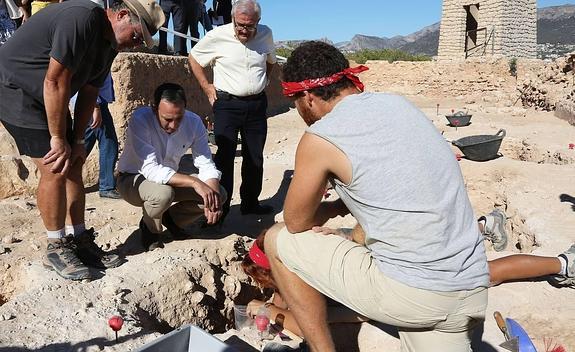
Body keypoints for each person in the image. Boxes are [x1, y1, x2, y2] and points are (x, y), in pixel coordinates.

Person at [256, 40, 495, 352]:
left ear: (307, 98)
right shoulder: (401, 106)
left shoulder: (321, 137)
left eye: (295, 101)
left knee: (279, 239)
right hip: (472, 290)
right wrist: (345, 205)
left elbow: (296, 221)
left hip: (416, 294)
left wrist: (330, 210)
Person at [0, 0, 165, 281]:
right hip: (16, 90)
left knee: (74, 161)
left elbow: (89, 91)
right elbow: (55, 80)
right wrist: (56, 138)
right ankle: (56, 245)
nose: (136, 44)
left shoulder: (110, 44)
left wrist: (77, 139)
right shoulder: (82, 18)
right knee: (55, 167)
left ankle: (79, 239)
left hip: (48, 95)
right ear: (122, 14)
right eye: (137, 36)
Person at [242, 218, 575, 338]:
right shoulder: (304, 245)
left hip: (401, 272)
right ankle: (558, 262)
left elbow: (305, 321)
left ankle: (563, 264)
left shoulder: (297, 271)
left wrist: (269, 311)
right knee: (482, 269)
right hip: (392, 255)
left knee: (486, 273)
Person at [189, 0, 276, 219]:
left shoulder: (266, 34)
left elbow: (271, 60)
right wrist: (207, 87)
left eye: (249, 26)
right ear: (233, 19)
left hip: (256, 105)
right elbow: (194, 58)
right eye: (240, 25)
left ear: (258, 22)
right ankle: (222, 209)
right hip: (227, 105)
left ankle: (250, 203)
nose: (244, 30)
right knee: (224, 158)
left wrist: (265, 79)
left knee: (254, 157)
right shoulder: (218, 35)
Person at [117, 83, 226, 251]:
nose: (174, 125)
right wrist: (195, 182)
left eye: (179, 118)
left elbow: (205, 163)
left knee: (219, 194)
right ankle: (150, 229)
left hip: (169, 179)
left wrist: (213, 198)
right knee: (162, 194)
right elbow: (151, 170)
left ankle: (172, 219)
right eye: (167, 119)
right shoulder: (140, 119)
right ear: (154, 109)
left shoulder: (194, 122)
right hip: (132, 179)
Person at [71, 73, 121, 199]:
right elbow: (88, 80)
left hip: (93, 104)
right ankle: (107, 187)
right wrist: (95, 106)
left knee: (83, 142)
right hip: (93, 104)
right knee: (109, 144)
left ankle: (64, 177)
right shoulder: (94, 55)